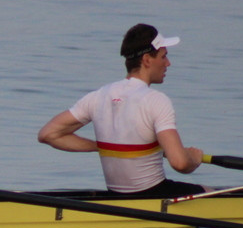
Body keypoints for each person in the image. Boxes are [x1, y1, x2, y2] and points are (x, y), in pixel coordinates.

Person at [37, 23, 205, 197]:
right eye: (164, 57)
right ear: (147, 60)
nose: (168, 63)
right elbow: (179, 163)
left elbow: (48, 134)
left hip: (116, 196)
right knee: (212, 192)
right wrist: (194, 159)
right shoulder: (156, 100)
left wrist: (100, 147)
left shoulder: (98, 96)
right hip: (154, 195)